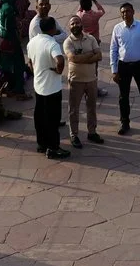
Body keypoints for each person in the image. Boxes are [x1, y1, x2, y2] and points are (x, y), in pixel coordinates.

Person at [108, 1, 140, 135]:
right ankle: (125, 123)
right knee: (123, 97)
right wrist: (114, 70)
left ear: (133, 12)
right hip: (123, 66)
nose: (125, 14)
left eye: (127, 11)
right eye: (122, 12)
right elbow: (113, 49)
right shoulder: (117, 28)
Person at [27, 14, 70, 159]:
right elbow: (60, 60)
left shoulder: (32, 42)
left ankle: (42, 144)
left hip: (38, 86)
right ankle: (53, 148)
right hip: (52, 88)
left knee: (39, 116)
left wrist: (36, 71)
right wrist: (58, 70)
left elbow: (30, 62)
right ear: (52, 29)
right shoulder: (52, 44)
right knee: (53, 119)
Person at [64, 11, 106, 148]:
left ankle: (92, 132)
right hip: (76, 81)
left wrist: (83, 58)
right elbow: (73, 58)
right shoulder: (68, 42)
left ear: (81, 24)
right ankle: (74, 134)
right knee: (74, 109)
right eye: (72, 23)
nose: (75, 25)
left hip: (91, 79)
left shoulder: (91, 39)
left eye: (77, 22)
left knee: (92, 107)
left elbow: (99, 56)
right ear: (69, 27)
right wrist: (89, 56)